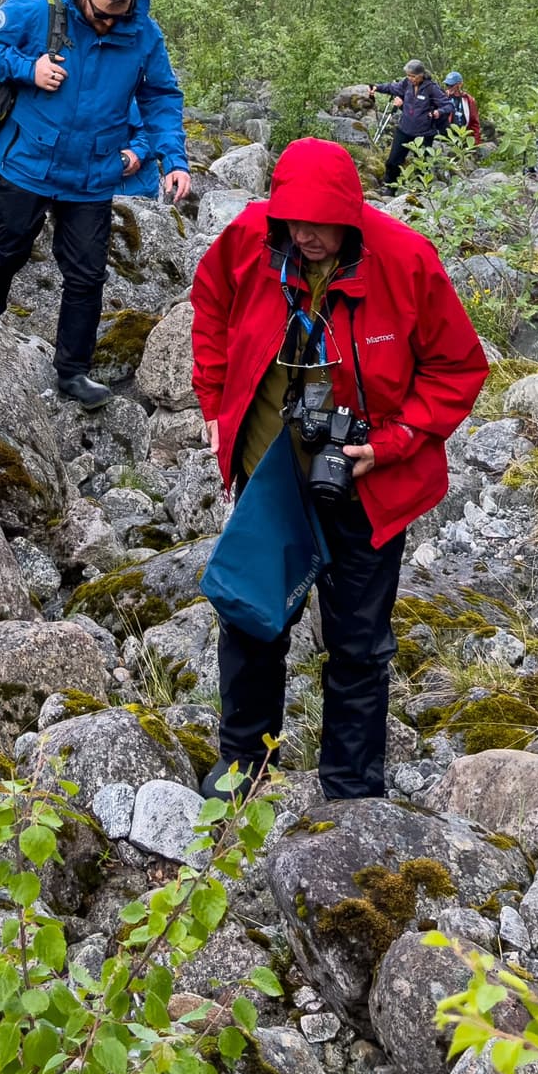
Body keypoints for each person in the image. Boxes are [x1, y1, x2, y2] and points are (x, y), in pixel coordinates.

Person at [188, 135, 486, 797]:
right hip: (272, 475)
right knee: (250, 617)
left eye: (321, 225)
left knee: (358, 644)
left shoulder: (406, 262)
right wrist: (212, 396)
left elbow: (458, 367)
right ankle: (242, 766)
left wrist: (398, 439)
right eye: (294, 222)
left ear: (350, 216)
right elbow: (208, 305)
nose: (306, 237)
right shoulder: (249, 239)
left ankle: (351, 788)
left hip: (369, 482)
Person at [0, 0, 191, 406]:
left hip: (92, 172)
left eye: (118, 16)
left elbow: (161, 95)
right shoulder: (38, 8)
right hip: (28, 160)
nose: (108, 24)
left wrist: (175, 159)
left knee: (87, 274)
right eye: (101, 14)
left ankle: (72, 372)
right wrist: (29, 69)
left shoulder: (143, 32)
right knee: (5, 252)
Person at [374, 59, 454, 186]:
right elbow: (391, 87)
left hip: (424, 133)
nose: (410, 78)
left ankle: (421, 190)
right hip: (404, 129)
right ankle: (390, 187)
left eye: (413, 76)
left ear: (421, 74)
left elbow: (449, 105)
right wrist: (376, 87)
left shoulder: (431, 88)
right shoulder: (406, 84)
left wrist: (439, 112)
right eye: (408, 75)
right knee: (393, 161)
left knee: (422, 164)